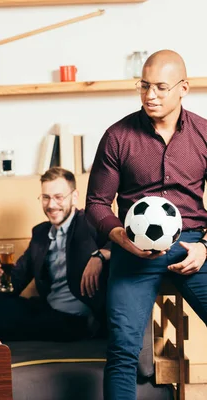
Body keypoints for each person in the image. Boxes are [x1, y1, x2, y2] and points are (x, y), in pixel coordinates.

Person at [86, 49, 207, 400]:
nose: (150, 95)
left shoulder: (203, 134)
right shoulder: (118, 136)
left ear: (183, 88)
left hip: (192, 248)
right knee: (122, 350)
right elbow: (95, 204)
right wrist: (121, 239)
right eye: (144, 86)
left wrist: (205, 247)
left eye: (160, 87)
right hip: (133, 251)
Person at [0, 167, 111, 342]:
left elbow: (122, 239)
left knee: (4, 324)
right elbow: (15, 283)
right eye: (46, 197)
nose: (51, 205)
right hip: (47, 311)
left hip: (77, 321)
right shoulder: (41, 234)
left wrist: (100, 255)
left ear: (74, 196)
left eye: (58, 197)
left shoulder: (89, 221)